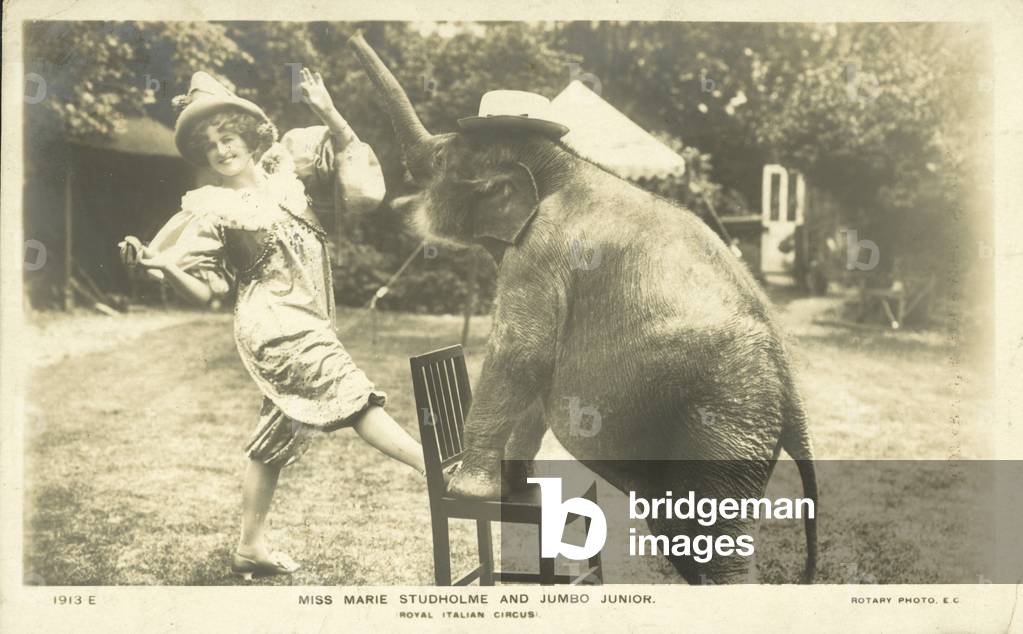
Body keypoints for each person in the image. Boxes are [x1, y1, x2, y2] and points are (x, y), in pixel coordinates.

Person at [120, 69, 429, 580]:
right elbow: (210, 292)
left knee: (274, 438)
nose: (221, 150)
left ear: (249, 137)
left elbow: (365, 190)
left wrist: (328, 109)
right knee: (349, 389)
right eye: (210, 145)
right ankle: (435, 471)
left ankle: (249, 547)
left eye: (228, 137)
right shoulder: (211, 208)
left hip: (308, 318)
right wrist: (164, 265)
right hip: (272, 325)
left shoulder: (288, 174)